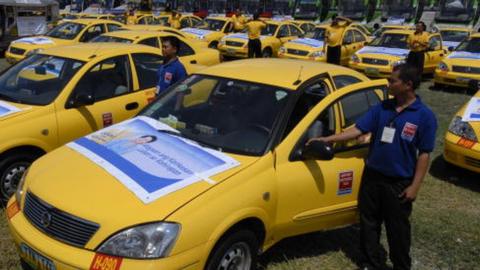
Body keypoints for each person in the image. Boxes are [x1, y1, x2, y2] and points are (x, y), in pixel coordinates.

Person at [307, 64, 437, 270]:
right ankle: (371, 262)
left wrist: (415, 186)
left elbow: (424, 154)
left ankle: (401, 265)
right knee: (369, 223)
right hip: (373, 176)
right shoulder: (382, 108)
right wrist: (329, 139)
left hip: (399, 183)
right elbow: (357, 130)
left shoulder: (424, 116)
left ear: (408, 85)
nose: (389, 84)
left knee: (398, 230)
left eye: (393, 81)